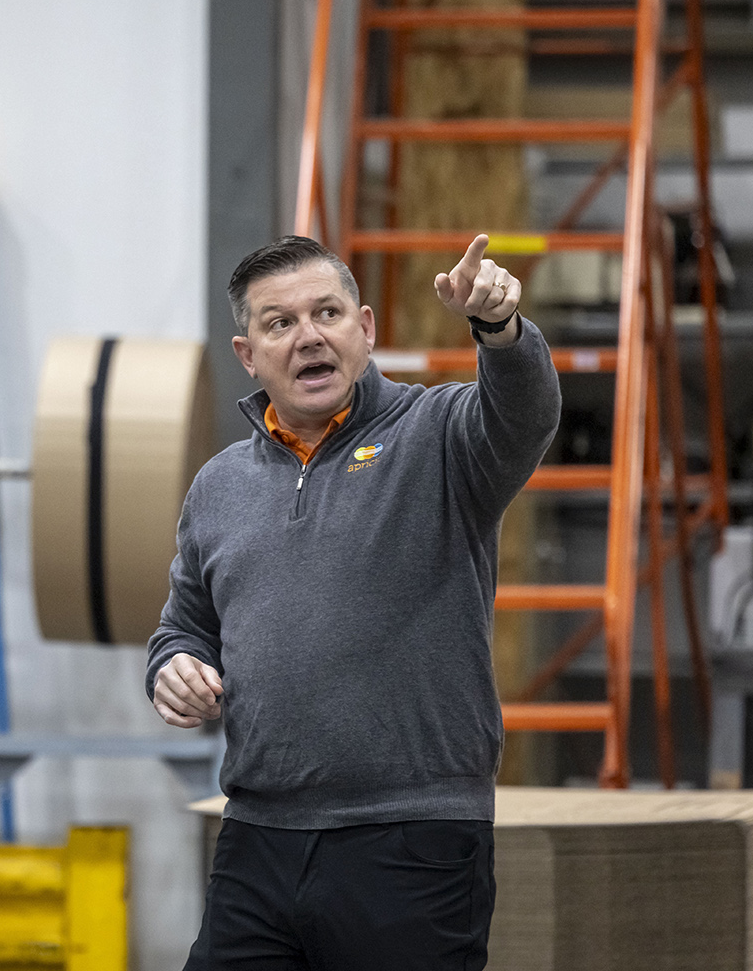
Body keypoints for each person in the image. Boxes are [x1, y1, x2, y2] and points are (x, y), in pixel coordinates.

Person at [147, 233, 560, 970]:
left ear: (364, 329)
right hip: (257, 838)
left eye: (327, 313)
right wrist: (175, 663)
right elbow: (185, 624)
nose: (308, 337)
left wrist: (499, 331)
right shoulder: (220, 485)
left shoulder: (437, 437)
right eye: (280, 323)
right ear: (249, 354)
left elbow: (524, 414)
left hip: (411, 841)